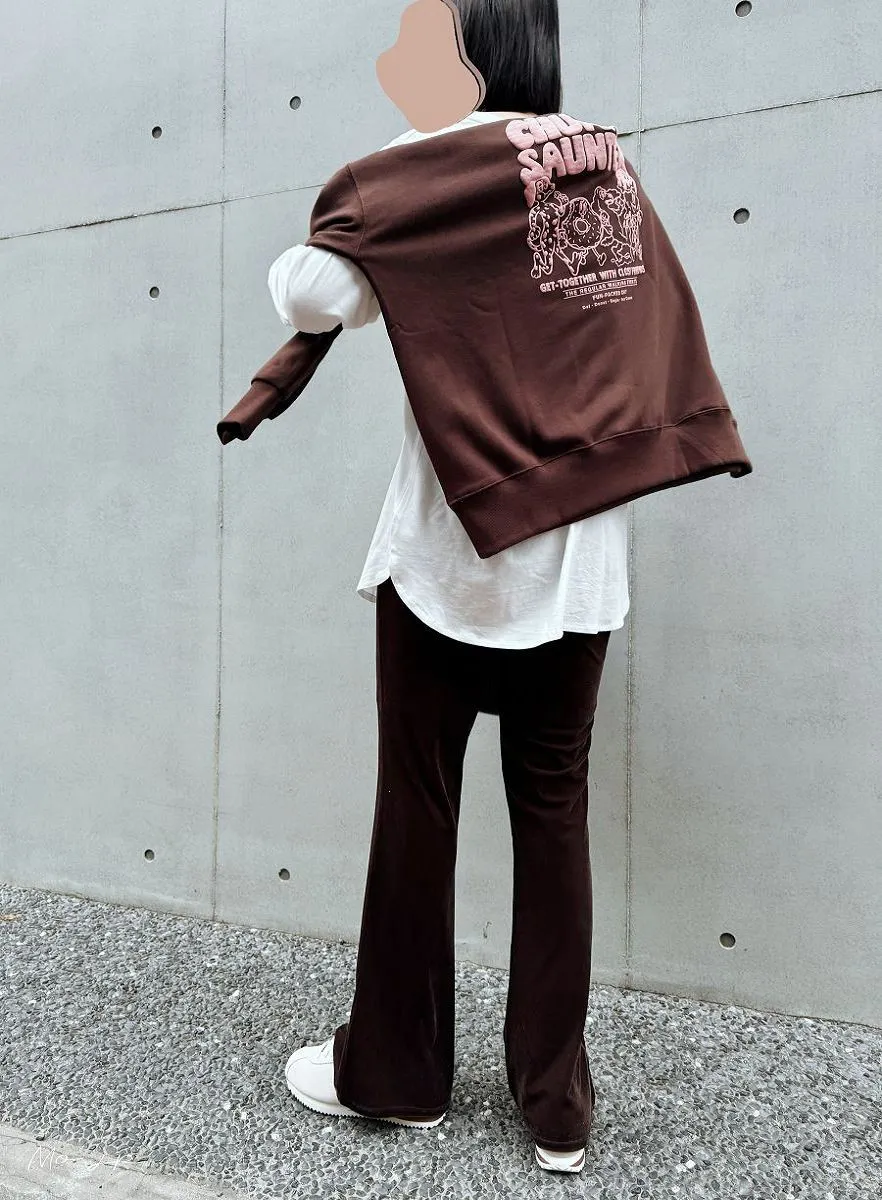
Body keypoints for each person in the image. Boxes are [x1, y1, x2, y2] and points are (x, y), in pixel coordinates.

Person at [270, 0, 750, 1176]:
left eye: (420, 38)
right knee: (553, 814)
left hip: (444, 559)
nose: (399, 59)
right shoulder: (598, 167)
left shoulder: (421, 179)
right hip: (578, 569)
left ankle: (398, 1077)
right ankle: (556, 1105)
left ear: (469, 51)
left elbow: (311, 293)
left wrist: (400, 164)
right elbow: (613, 329)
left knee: (417, 809)